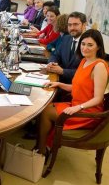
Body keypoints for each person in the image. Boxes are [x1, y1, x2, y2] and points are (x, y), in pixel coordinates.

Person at [37, 29, 109, 157]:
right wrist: (59, 84)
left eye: (90, 45)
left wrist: (78, 107)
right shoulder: (84, 61)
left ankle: (42, 150)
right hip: (76, 104)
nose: (85, 48)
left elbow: (98, 98)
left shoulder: (99, 66)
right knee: (46, 108)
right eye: (83, 44)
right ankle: (44, 146)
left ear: (98, 46)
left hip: (88, 112)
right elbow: (77, 87)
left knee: (45, 112)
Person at [47, 11, 87, 84]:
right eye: (69, 25)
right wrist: (52, 63)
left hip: (76, 86)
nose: (72, 28)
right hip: (59, 81)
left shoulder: (89, 44)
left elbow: (86, 72)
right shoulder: (66, 38)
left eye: (75, 24)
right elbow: (55, 55)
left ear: (84, 25)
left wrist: (63, 71)